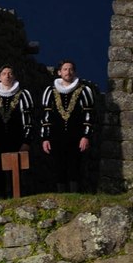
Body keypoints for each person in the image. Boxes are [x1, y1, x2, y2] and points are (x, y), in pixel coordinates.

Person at [40, 59, 96, 193]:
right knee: (58, 166)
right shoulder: (50, 91)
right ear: (59, 72)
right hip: (56, 136)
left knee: (75, 165)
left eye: (70, 69)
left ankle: (75, 196)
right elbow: (46, 117)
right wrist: (45, 138)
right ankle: (61, 197)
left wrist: (86, 136)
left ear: (74, 72)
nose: (68, 72)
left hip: (76, 136)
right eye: (65, 69)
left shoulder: (84, 90)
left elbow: (89, 115)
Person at [0, 65, 36, 198]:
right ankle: (0, 199)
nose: (7, 76)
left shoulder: (24, 95)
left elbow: (29, 121)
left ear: (14, 76)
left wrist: (26, 142)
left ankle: (17, 199)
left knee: (18, 171)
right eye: (4, 73)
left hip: (17, 140)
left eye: (10, 73)